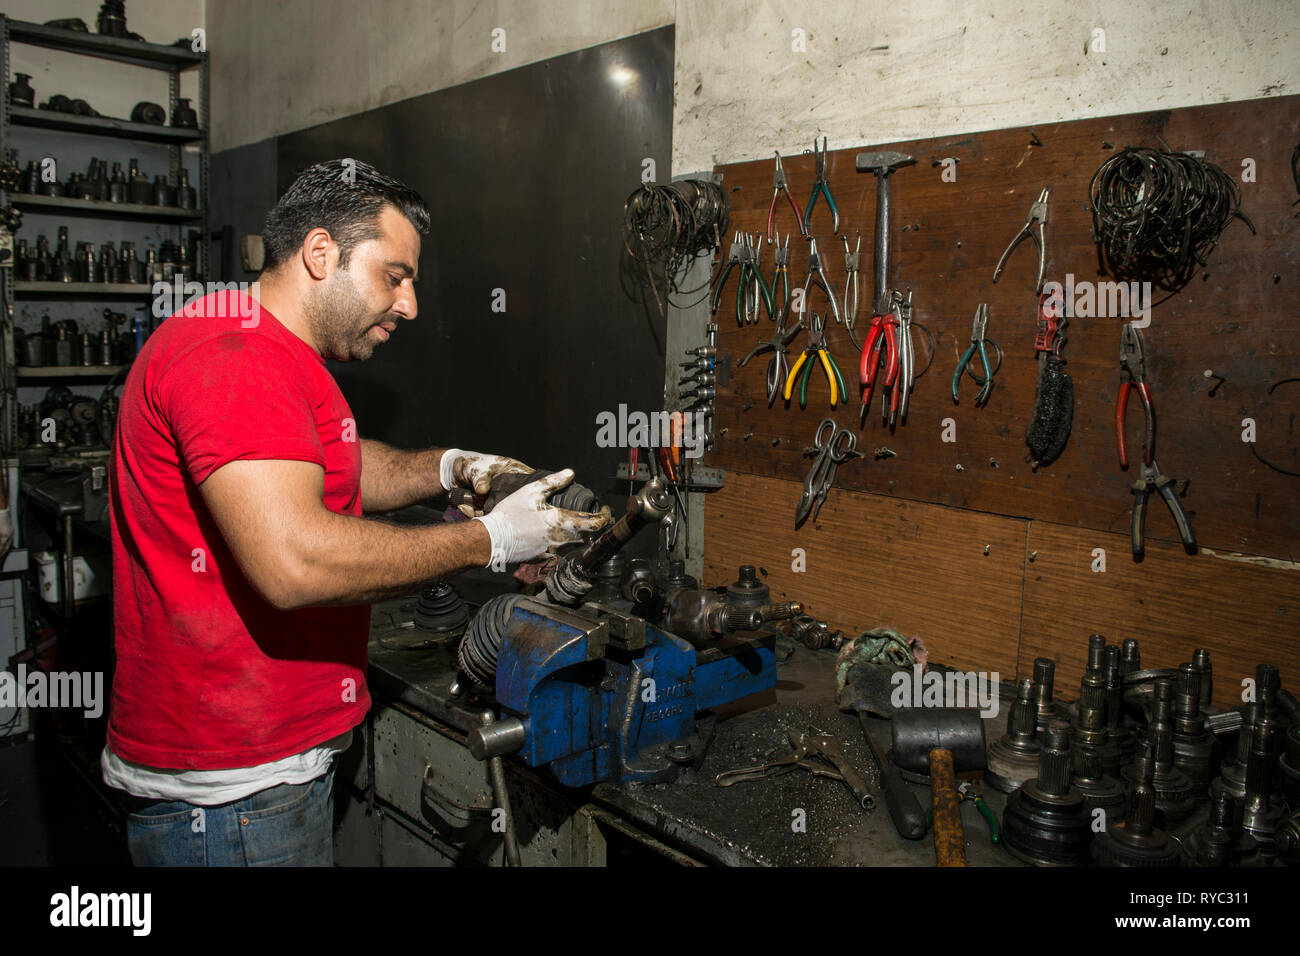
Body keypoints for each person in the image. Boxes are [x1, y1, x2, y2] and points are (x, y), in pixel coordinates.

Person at [101, 159, 610, 866]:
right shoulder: (236, 358)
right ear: (320, 253)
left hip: (260, 772)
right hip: (230, 796)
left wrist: (446, 469)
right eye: (394, 276)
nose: (409, 305)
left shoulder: (270, 349)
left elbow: (326, 462)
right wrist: (489, 541)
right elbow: (295, 563)